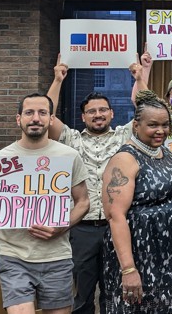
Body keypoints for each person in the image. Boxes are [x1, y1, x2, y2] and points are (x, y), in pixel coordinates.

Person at [0, 93, 90, 314]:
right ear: (19, 119)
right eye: (29, 113)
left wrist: (61, 226)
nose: (35, 118)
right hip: (12, 255)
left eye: (42, 113)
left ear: (51, 119)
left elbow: (83, 202)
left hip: (57, 257)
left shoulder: (69, 156)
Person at [46, 56, 146, 314]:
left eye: (103, 110)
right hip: (83, 229)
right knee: (82, 294)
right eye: (92, 111)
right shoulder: (70, 139)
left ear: (112, 113)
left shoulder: (125, 136)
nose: (98, 114)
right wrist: (58, 80)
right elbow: (47, 116)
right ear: (83, 116)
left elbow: (147, 110)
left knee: (115, 295)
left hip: (119, 228)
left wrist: (140, 78)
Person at [101, 90, 172, 313]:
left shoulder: (165, 152)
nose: (160, 131)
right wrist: (128, 269)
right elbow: (115, 216)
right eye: (153, 125)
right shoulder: (125, 159)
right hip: (142, 254)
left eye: (165, 125)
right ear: (136, 125)